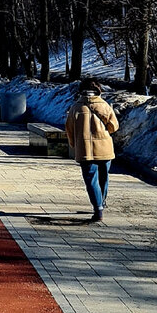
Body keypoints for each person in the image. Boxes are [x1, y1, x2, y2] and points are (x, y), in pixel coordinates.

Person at [64, 78, 120, 222]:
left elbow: (69, 130)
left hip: (85, 150)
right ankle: (102, 201)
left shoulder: (75, 107)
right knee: (104, 176)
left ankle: (98, 209)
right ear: (98, 89)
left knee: (91, 180)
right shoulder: (104, 106)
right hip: (104, 148)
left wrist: (74, 145)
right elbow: (114, 126)